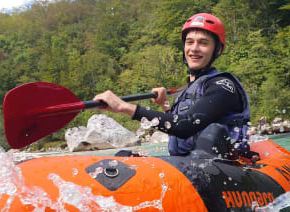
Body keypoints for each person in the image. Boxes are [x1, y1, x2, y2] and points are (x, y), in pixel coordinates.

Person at [93, 13, 250, 158]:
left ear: (218, 49)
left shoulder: (223, 86)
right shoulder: (189, 88)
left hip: (222, 169)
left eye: (203, 43)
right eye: (190, 42)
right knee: (123, 157)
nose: (194, 48)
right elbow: (179, 124)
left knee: (214, 133)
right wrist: (166, 106)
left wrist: (124, 107)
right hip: (188, 164)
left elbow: (186, 125)